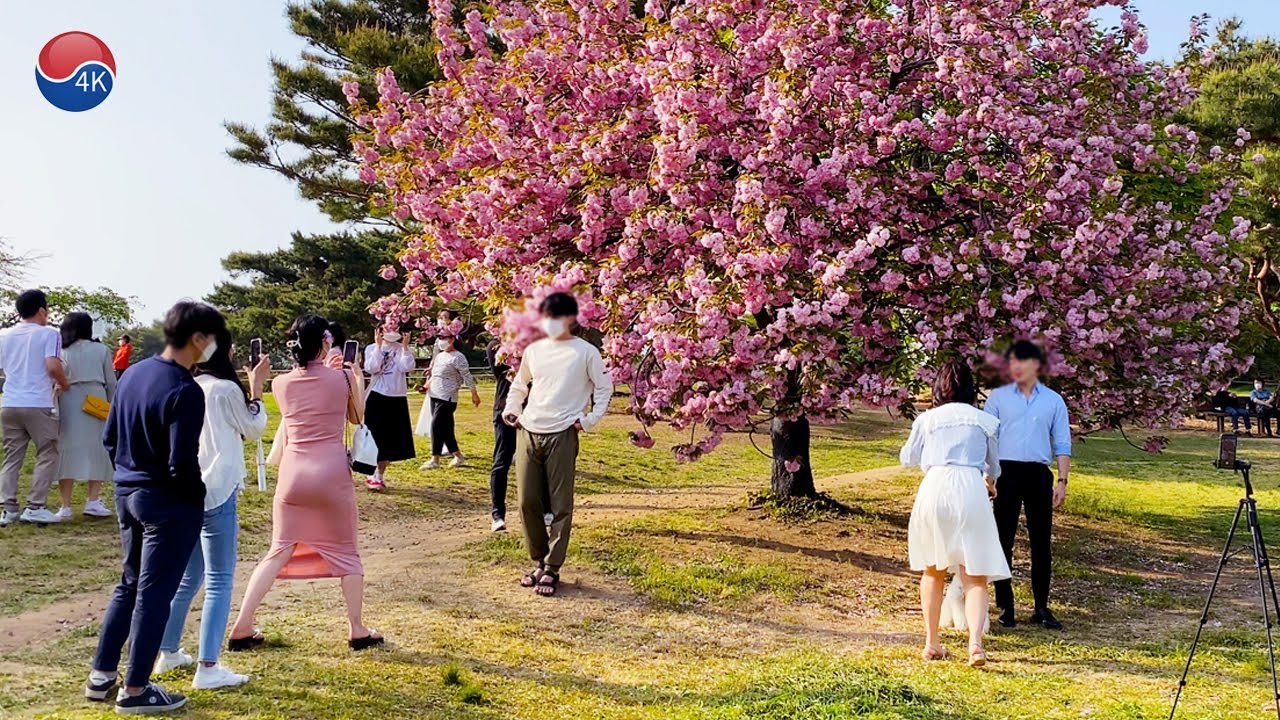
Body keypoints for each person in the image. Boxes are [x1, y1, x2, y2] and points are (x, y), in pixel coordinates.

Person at [85, 301, 225, 714]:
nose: (213, 348)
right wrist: (196, 499)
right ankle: (135, 690)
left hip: (127, 492)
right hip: (167, 502)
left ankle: (102, 675)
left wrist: (129, 476)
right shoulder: (185, 390)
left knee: (129, 583)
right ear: (198, 339)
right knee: (155, 593)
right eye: (212, 340)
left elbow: (110, 437)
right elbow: (182, 462)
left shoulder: (135, 374)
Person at [228, 315, 384, 652]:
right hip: (330, 472)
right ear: (325, 342)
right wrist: (353, 377)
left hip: (293, 472)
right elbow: (356, 417)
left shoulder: (280, 383)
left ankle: (243, 624)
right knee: (347, 552)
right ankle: (357, 627)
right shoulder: (341, 377)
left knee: (278, 549)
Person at [153, 327, 271, 690]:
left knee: (189, 577)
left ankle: (168, 651)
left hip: (185, 490)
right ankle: (208, 665)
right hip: (217, 489)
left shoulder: (185, 386)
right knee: (219, 579)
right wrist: (256, 390)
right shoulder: (223, 389)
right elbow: (253, 428)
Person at [503, 293, 613, 597]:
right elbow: (519, 384)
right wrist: (512, 411)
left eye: (554, 317)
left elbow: (604, 389)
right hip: (528, 428)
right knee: (527, 500)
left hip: (563, 432)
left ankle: (552, 567)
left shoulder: (586, 352)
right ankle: (538, 559)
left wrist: (587, 420)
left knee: (561, 503)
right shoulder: (534, 350)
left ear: (569, 319)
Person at [901, 360, 1009, 666]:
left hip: (935, 485)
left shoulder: (928, 419)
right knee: (975, 574)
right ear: (970, 388)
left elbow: (908, 456)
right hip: (970, 487)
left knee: (932, 570)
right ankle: (975, 644)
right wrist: (990, 481)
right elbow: (994, 465)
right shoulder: (984, 421)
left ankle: (932, 641)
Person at [984, 340, 1071, 631]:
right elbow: (989, 440)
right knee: (1002, 539)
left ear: (1037, 364)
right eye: (1012, 362)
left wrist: (1062, 480)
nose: (1017, 367)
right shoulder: (997, 398)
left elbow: (1061, 442)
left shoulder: (1053, 401)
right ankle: (1006, 605)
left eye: (1022, 361)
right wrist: (989, 475)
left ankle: (1041, 606)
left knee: (1041, 542)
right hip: (1005, 472)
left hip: (1037, 473)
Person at [0, 289, 69, 527]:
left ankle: (8, 509)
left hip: (10, 402)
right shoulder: (50, 333)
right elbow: (52, 366)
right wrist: (63, 383)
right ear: (42, 310)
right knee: (48, 453)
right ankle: (35, 506)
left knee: (12, 457)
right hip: (38, 402)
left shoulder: (4, 335)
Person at [55, 312, 117, 520]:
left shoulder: (61, 351)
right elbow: (111, 381)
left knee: (66, 447)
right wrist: (112, 406)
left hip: (68, 397)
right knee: (97, 448)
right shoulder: (101, 349)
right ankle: (93, 500)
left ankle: (65, 505)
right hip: (96, 398)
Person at [487, 339, 551, 532]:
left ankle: (546, 509)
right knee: (501, 462)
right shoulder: (497, 347)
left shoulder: (539, 346)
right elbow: (501, 370)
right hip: (506, 410)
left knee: (540, 460)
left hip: (534, 411)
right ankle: (498, 513)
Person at [361, 327, 417, 491]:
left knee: (390, 440)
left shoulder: (401, 349)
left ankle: (380, 474)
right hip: (376, 395)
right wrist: (378, 347)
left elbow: (407, 367)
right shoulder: (371, 348)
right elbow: (371, 367)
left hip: (396, 397)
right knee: (374, 436)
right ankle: (370, 473)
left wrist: (405, 347)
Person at [422, 319, 480, 469]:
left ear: (452, 339)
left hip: (447, 397)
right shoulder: (440, 356)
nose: (441, 341)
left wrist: (474, 393)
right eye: (439, 338)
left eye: (444, 338)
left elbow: (467, 376)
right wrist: (426, 386)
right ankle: (458, 456)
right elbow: (435, 375)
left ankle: (435, 459)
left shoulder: (458, 357)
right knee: (446, 428)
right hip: (435, 394)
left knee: (436, 425)